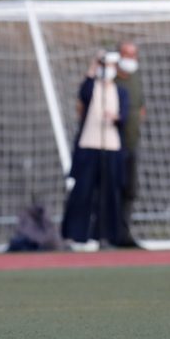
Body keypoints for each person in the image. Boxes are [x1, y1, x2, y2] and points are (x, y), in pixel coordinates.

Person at [61, 52, 129, 248]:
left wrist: (115, 117)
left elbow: (124, 116)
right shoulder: (92, 88)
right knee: (82, 192)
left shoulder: (120, 91)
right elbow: (83, 93)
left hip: (111, 147)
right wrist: (93, 66)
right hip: (89, 146)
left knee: (109, 194)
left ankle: (105, 236)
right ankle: (74, 235)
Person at [115, 41, 146, 248]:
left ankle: (124, 234)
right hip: (112, 146)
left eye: (133, 55)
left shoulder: (136, 79)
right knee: (111, 191)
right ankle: (106, 235)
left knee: (130, 190)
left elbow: (141, 108)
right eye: (127, 54)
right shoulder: (111, 80)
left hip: (132, 144)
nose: (131, 59)